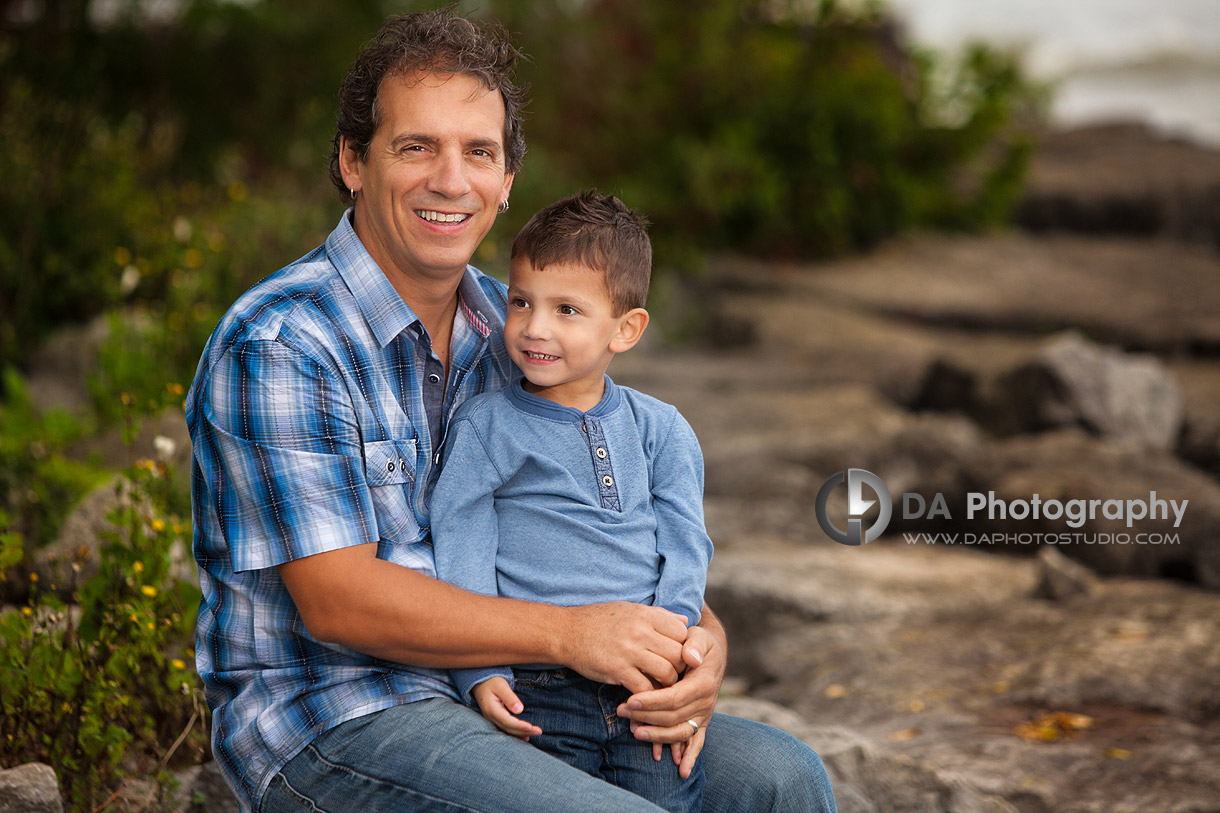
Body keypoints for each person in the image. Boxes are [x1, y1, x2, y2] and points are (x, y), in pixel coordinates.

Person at [186, 7, 837, 812]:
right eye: (416, 146)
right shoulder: (283, 341)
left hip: (538, 692)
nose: (451, 180)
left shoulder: (518, 329)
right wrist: (571, 634)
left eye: (478, 153)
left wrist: (700, 645)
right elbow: (338, 598)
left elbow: (616, 528)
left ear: (505, 184)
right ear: (354, 161)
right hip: (337, 718)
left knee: (783, 780)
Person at [431, 190, 712, 813]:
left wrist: (678, 646)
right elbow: (463, 542)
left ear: (626, 329)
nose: (535, 328)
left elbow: (686, 545)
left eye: (566, 310)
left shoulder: (660, 428)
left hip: (646, 682)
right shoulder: (487, 425)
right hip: (538, 682)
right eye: (521, 301)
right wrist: (481, 670)